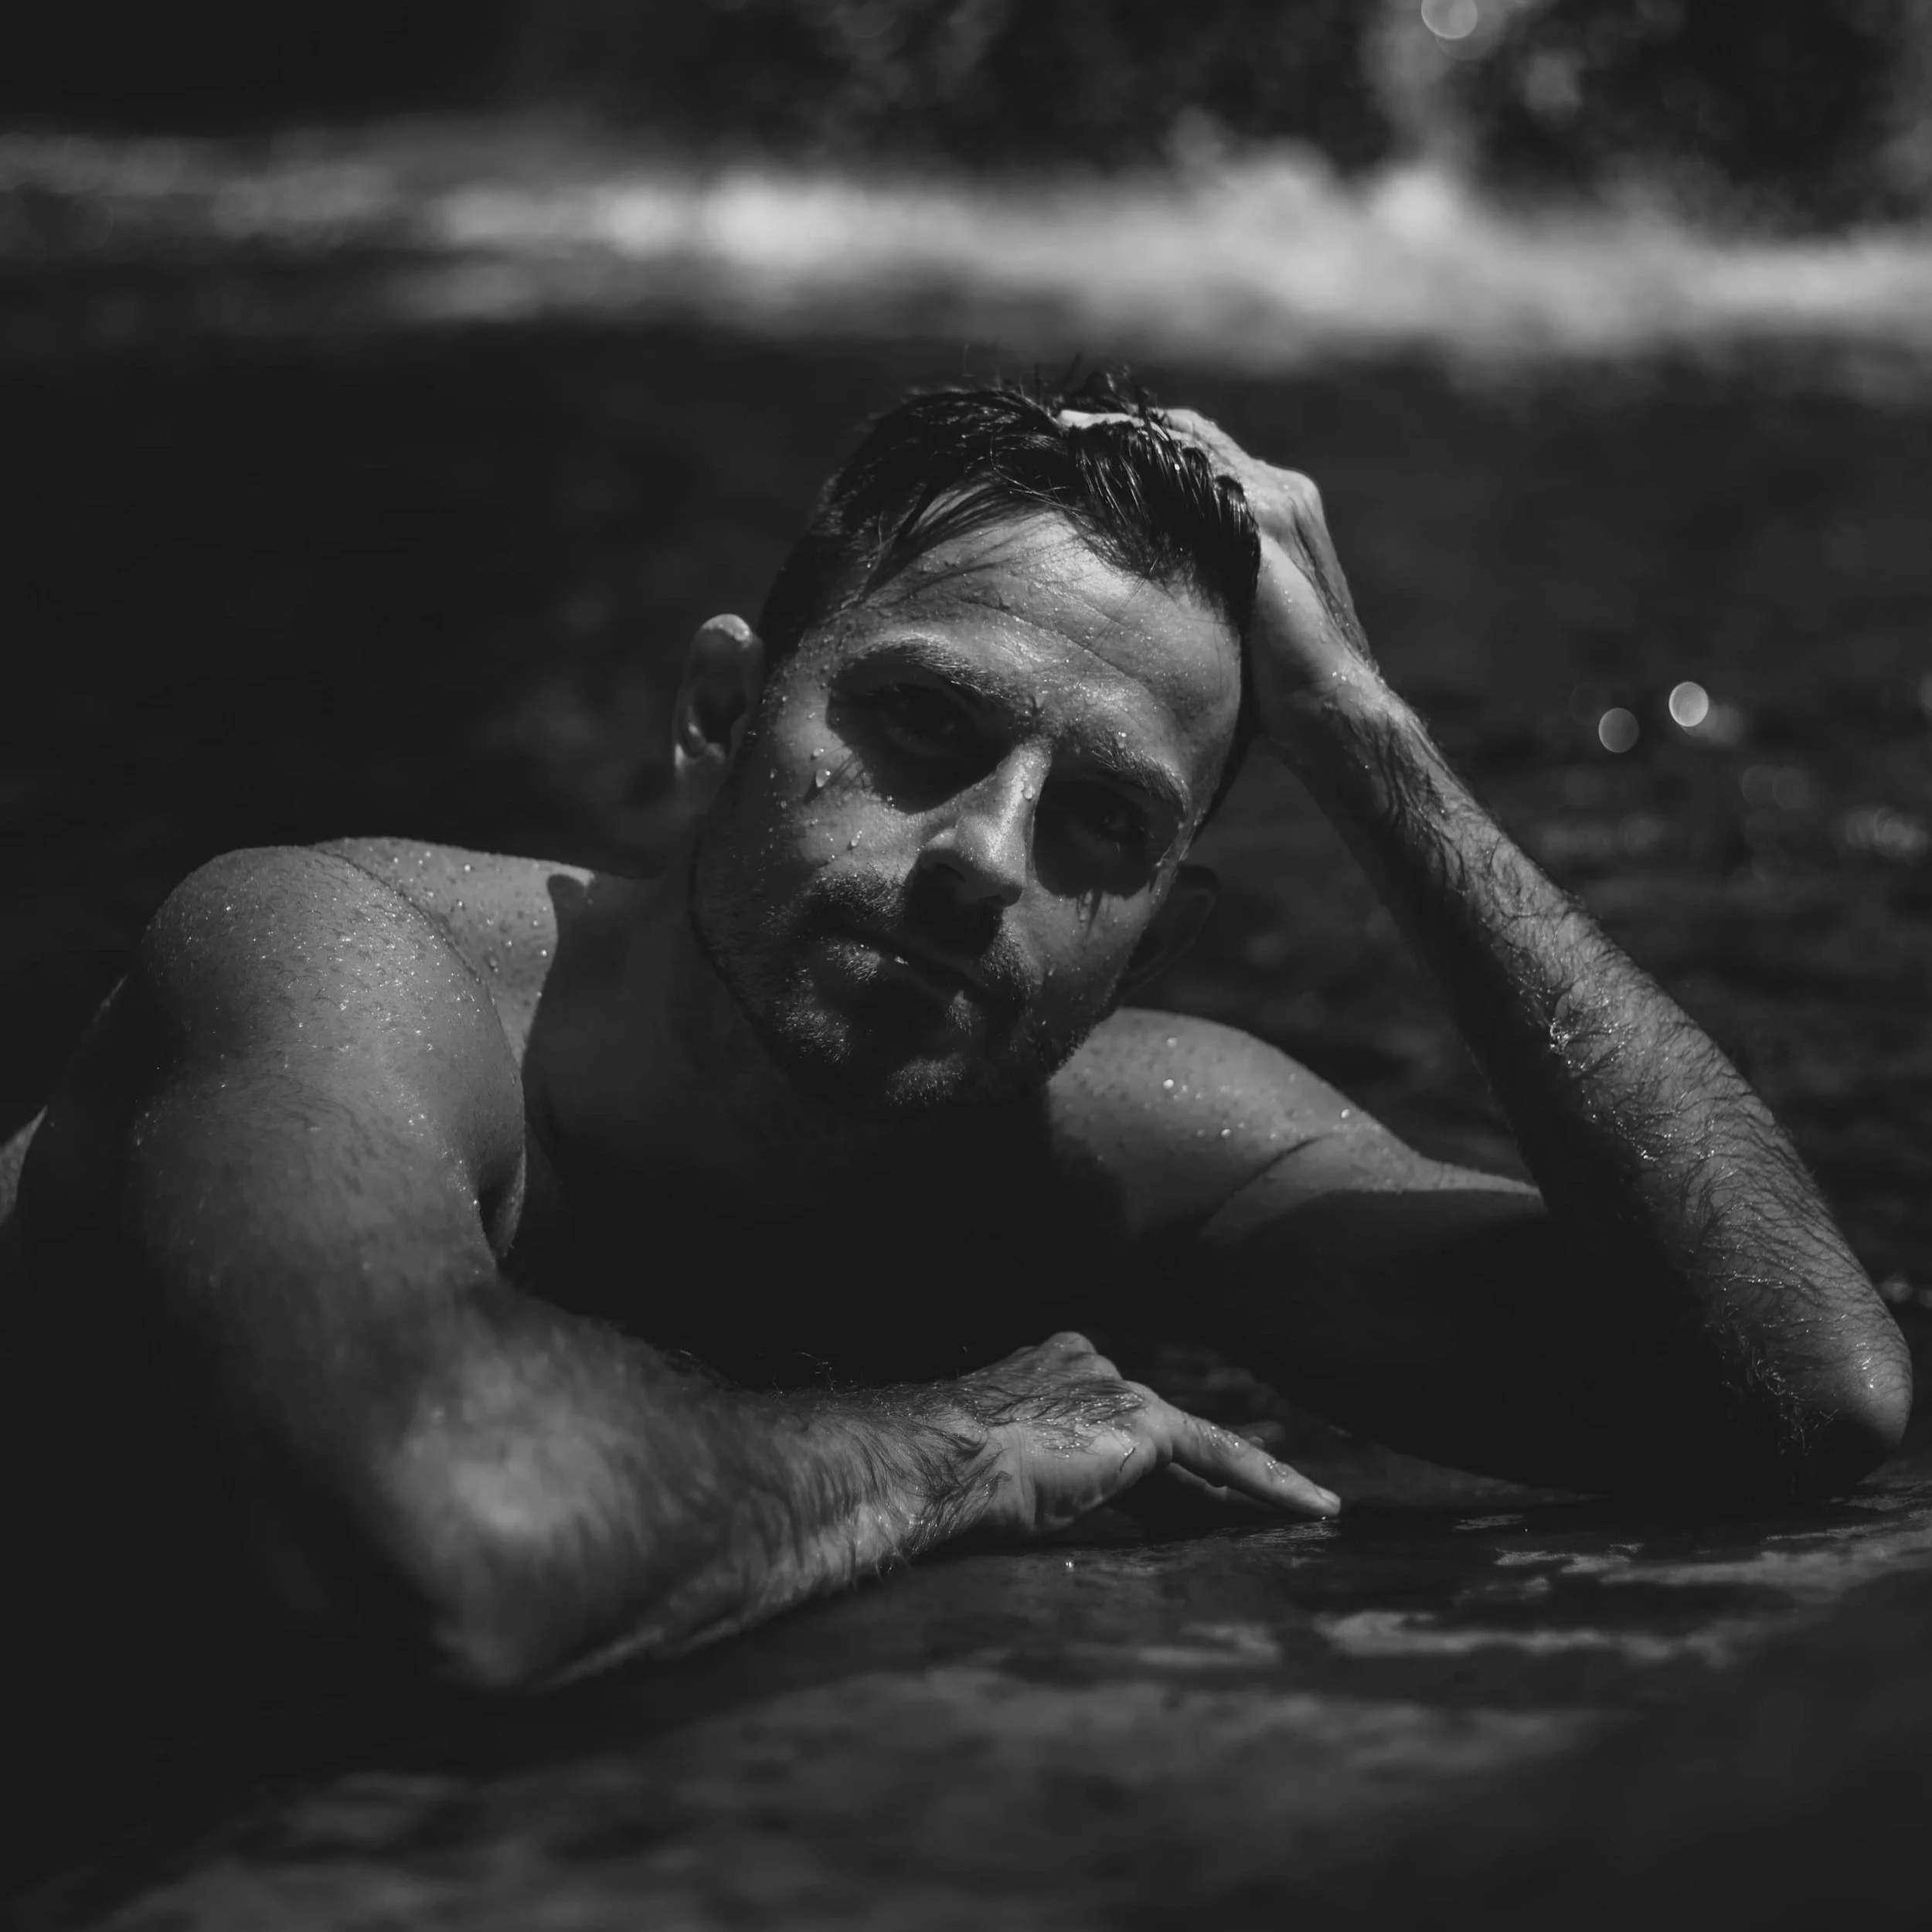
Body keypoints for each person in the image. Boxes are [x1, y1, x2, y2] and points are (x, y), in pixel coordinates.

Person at [0, 375, 1910, 1699]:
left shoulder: (1113, 1143)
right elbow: (445, 1536)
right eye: (919, 729)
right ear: (716, 712)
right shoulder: (338, 957)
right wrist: (948, 1446)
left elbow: (1796, 1392)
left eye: (1103, 821)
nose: (983, 863)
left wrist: (1367, 747)